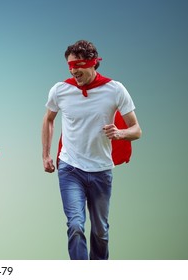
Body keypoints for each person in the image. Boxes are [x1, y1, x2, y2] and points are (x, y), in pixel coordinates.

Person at [41, 40, 142, 260]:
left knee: (100, 231)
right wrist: (46, 155)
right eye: (70, 65)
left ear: (93, 63)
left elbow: (136, 130)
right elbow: (49, 119)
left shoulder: (115, 90)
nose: (74, 70)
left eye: (79, 64)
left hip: (101, 171)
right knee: (76, 225)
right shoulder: (60, 90)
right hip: (70, 169)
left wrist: (120, 133)